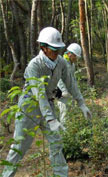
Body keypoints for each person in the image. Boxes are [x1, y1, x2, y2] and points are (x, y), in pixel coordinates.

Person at [2, 27, 91, 177]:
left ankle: (60, 174)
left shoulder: (61, 62)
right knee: (20, 146)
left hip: (48, 104)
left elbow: (71, 84)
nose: (56, 52)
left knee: (56, 142)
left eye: (58, 49)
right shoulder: (34, 66)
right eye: (53, 49)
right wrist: (51, 119)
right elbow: (39, 95)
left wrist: (81, 103)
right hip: (29, 106)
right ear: (43, 47)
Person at [57, 43, 90, 125]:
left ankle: (68, 134)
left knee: (70, 115)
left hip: (69, 94)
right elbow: (58, 78)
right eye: (75, 56)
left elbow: (73, 83)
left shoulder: (72, 65)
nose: (76, 58)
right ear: (70, 54)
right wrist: (63, 90)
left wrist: (81, 102)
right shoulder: (61, 62)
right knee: (64, 115)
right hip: (61, 94)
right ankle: (64, 136)